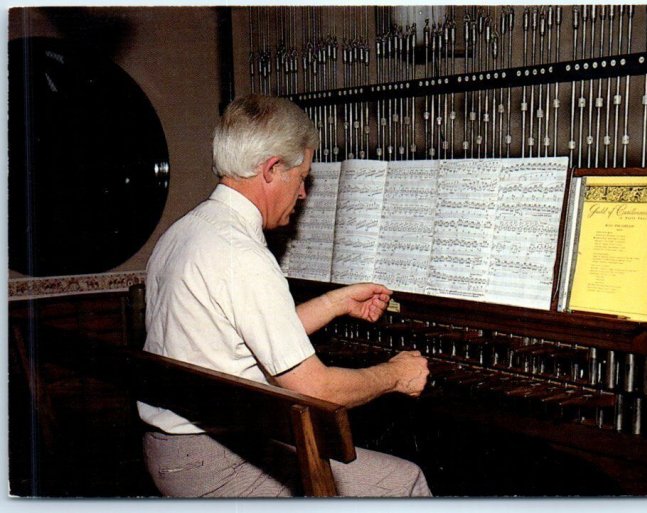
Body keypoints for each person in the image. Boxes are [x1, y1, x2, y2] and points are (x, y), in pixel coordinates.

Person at [137, 94, 431, 497]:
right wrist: (396, 374)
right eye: (302, 177)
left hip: (172, 450)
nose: (304, 194)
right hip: (214, 463)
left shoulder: (186, 231)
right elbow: (318, 390)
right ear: (272, 169)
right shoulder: (242, 254)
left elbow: (241, 337)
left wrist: (336, 302)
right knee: (404, 481)